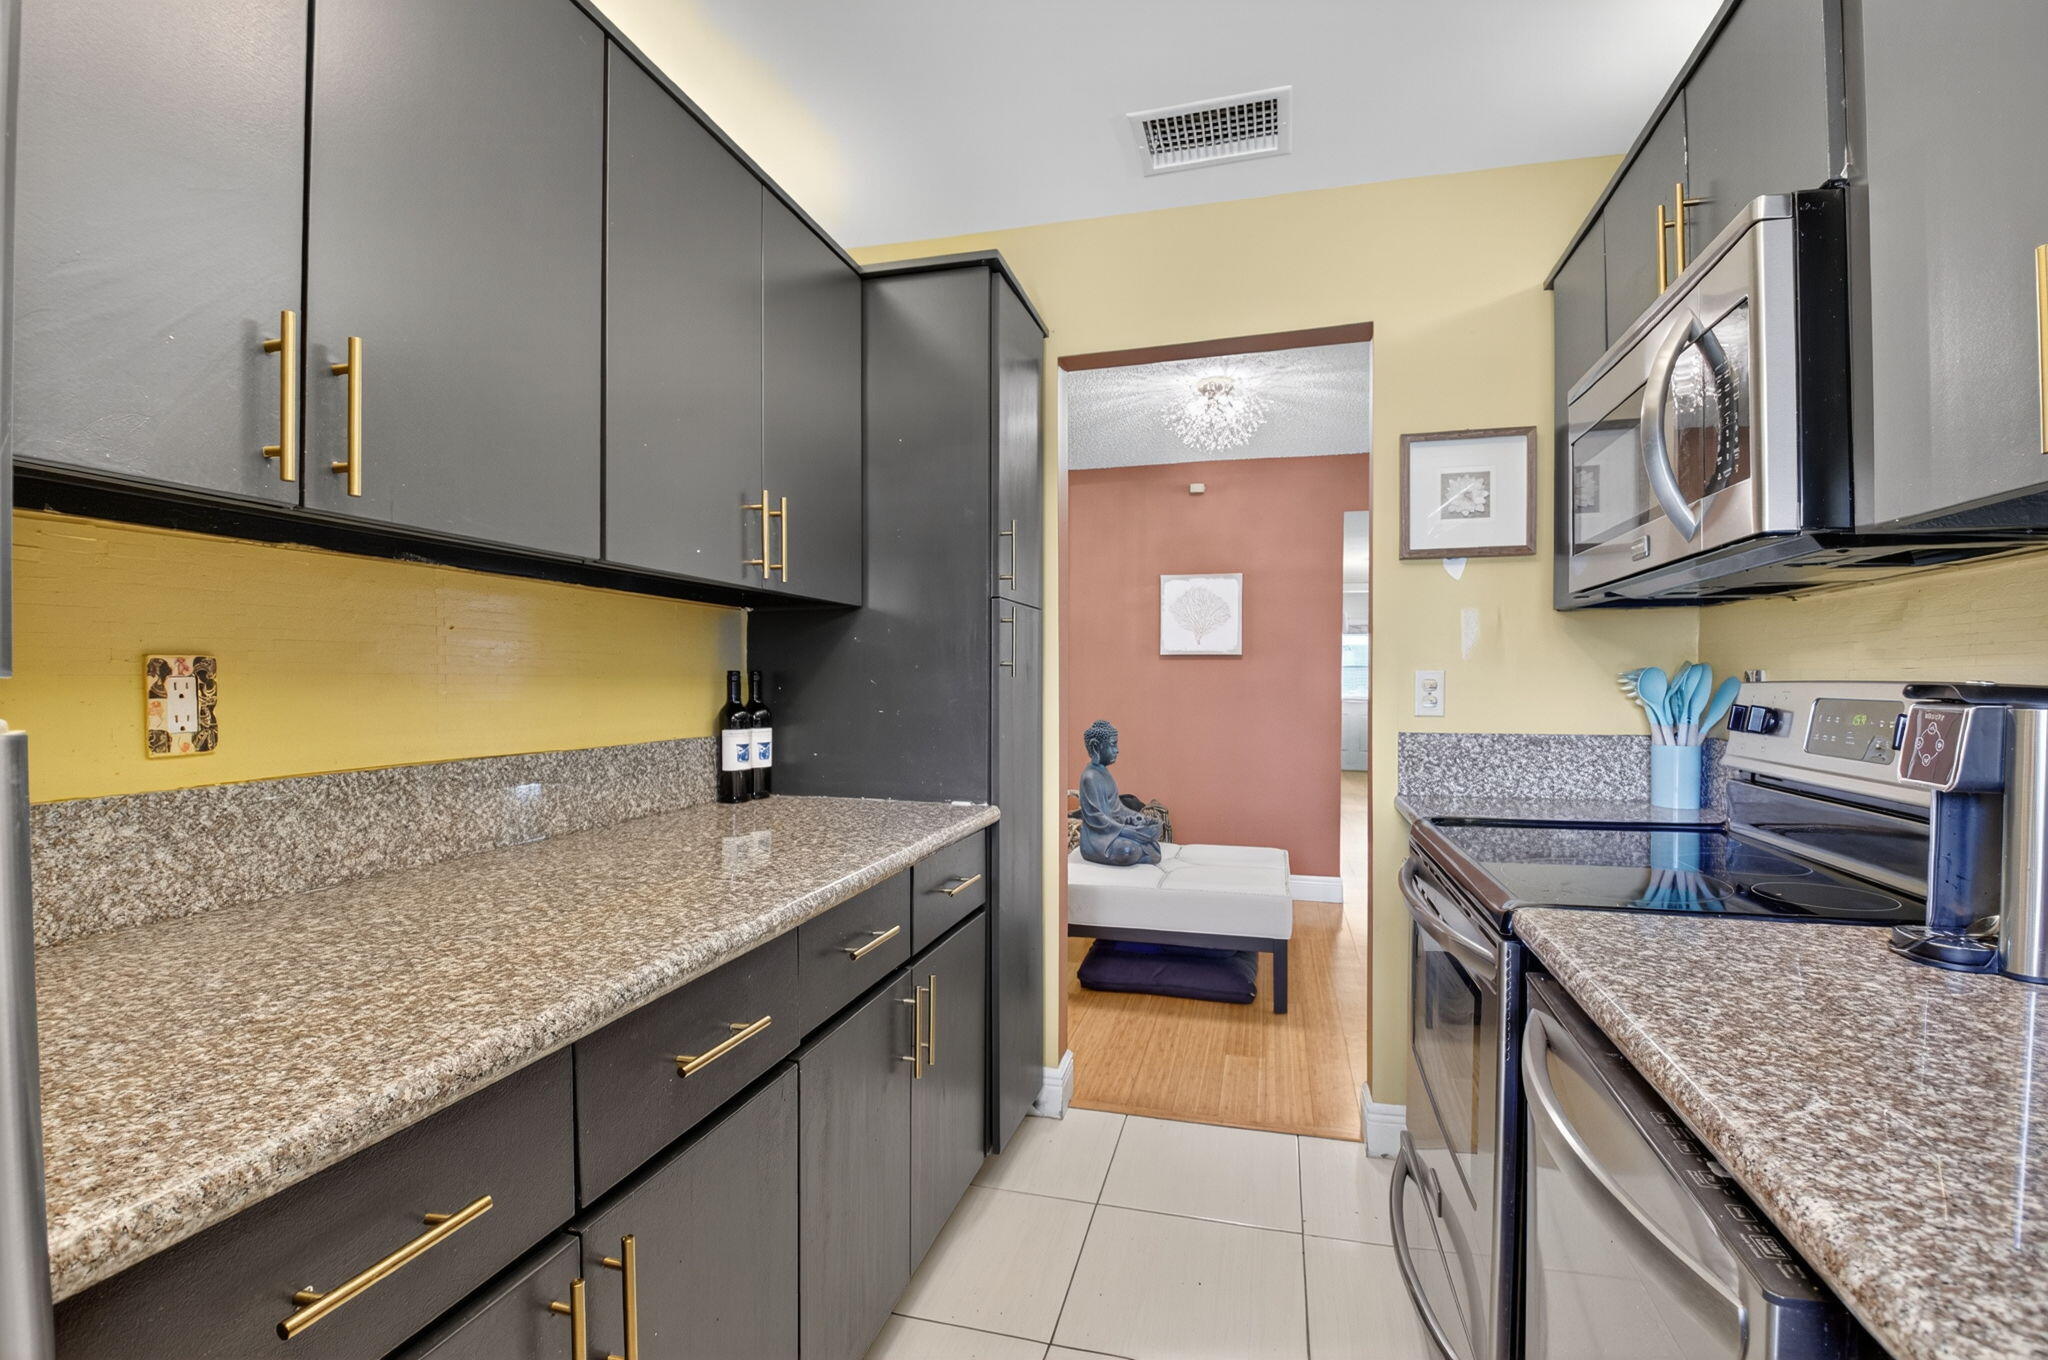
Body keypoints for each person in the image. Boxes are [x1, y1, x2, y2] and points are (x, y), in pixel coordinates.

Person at [1077, 719, 1164, 866]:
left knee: (1154, 851)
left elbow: (1117, 808)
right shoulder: (1089, 777)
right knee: (1127, 850)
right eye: (1113, 744)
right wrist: (1128, 831)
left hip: (1115, 831)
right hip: (1098, 839)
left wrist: (1137, 818)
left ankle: (1139, 847)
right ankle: (1137, 848)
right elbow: (1097, 819)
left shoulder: (1104, 773)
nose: (1117, 750)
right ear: (1096, 746)